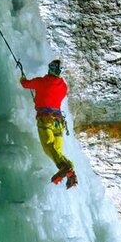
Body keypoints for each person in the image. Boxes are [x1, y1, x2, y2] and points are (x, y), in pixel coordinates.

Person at [18, 59, 78, 188]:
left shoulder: (42, 81)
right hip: (59, 122)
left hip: (46, 120)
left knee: (48, 146)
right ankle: (70, 171)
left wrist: (22, 77)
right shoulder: (63, 86)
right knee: (57, 152)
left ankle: (65, 168)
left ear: (50, 69)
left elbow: (25, 84)